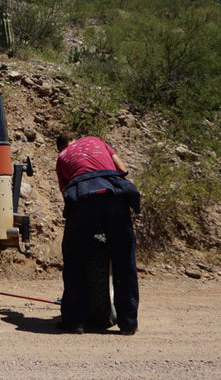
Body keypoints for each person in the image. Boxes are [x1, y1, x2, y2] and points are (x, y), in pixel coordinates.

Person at [55, 131, 140, 335]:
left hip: (83, 197)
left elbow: (66, 193)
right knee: (124, 260)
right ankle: (128, 325)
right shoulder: (96, 141)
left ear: (61, 147)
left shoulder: (61, 157)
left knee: (74, 260)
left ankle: (75, 322)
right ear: (78, 138)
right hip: (114, 194)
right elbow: (123, 169)